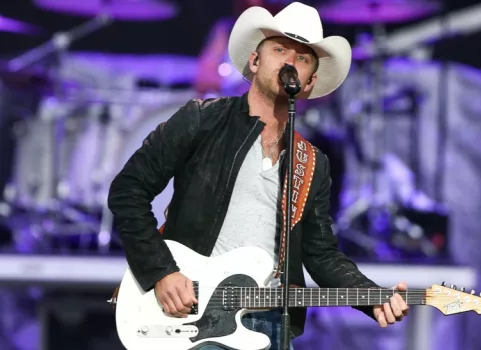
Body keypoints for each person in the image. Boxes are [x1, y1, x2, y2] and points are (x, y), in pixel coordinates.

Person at [107, 2, 410, 349]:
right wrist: (161, 271)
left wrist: (371, 296)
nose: (289, 62)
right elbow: (127, 191)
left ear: (309, 82)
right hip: (191, 315)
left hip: (269, 325)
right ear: (255, 61)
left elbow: (321, 253)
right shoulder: (202, 121)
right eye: (279, 49)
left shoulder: (312, 162)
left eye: (302, 58)